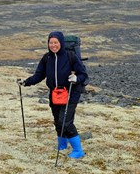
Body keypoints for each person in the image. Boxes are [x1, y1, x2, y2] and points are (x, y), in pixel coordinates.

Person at [18, 31, 88, 159]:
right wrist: (26, 82)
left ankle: (78, 151)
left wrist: (76, 78)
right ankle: (62, 145)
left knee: (65, 122)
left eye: (56, 42)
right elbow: (39, 75)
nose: (53, 45)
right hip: (55, 94)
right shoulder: (47, 58)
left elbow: (83, 75)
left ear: (61, 42)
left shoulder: (70, 56)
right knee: (57, 120)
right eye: (51, 42)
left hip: (71, 93)